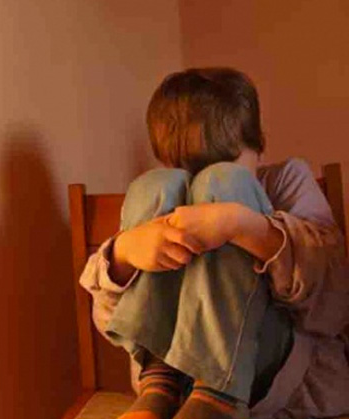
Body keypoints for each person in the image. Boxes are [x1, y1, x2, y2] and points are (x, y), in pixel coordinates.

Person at [80, 68, 349, 419]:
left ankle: (217, 394)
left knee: (225, 184)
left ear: (259, 145)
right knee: (151, 187)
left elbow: (336, 298)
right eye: (192, 171)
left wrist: (240, 225)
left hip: (275, 371)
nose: (200, 185)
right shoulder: (164, 194)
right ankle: (160, 381)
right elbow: (110, 321)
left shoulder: (286, 180)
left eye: (218, 164)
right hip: (176, 384)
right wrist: (127, 252)